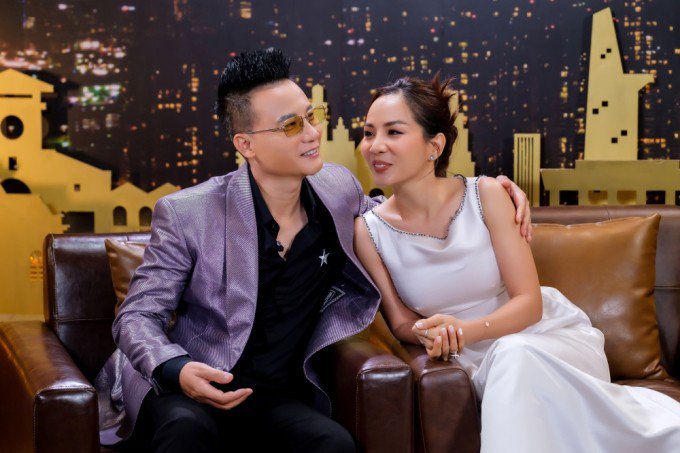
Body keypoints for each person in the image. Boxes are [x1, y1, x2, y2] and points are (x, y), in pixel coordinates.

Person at [95, 49, 532, 452]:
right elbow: (137, 316)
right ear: (246, 145)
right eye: (291, 125)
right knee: (188, 431)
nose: (312, 133)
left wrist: (483, 193)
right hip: (188, 385)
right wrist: (176, 370)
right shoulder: (188, 212)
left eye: (311, 116)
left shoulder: (338, 189)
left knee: (334, 445)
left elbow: (395, 217)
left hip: (274, 394)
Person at [353, 74, 680, 452]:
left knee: (515, 354)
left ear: (435, 145)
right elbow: (400, 322)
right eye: (368, 133)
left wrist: (466, 330)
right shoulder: (368, 231)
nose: (375, 146)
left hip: (547, 339)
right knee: (511, 362)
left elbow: (529, 303)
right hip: (471, 361)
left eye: (393, 132)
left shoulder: (487, 195)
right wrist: (433, 334)